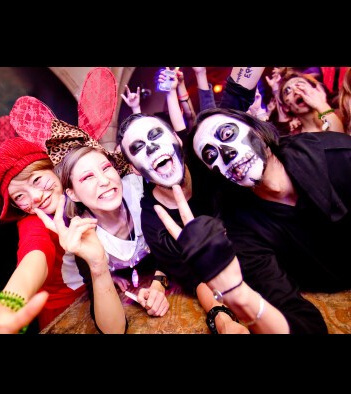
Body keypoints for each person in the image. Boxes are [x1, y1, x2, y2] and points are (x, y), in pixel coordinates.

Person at [116, 69, 328, 334]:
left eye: (157, 135)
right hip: (266, 283)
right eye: (137, 147)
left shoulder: (208, 158)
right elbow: (199, 279)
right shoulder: (154, 221)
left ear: (176, 138)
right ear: (134, 169)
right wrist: (222, 319)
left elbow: (235, 99)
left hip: (305, 249)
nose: (152, 147)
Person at [0, 137, 126, 334]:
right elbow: (33, 258)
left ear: (53, 169)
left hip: (101, 292)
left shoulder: (85, 194)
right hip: (66, 311)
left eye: (36, 180)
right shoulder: (34, 223)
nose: (35, 197)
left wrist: (110, 273)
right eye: (19, 196)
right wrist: (7, 303)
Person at [191, 106, 351, 298]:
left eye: (227, 134)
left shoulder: (338, 155)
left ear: (256, 128)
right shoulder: (238, 224)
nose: (227, 154)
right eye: (211, 156)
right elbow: (280, 296)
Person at [34, 115, 170, 318]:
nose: (104, 181)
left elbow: (173, 244)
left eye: (106, 168)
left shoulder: (140, 191)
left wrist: (159, 284)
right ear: (72, 193)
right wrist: (104, 275)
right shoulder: (83, 234)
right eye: (87, 177)